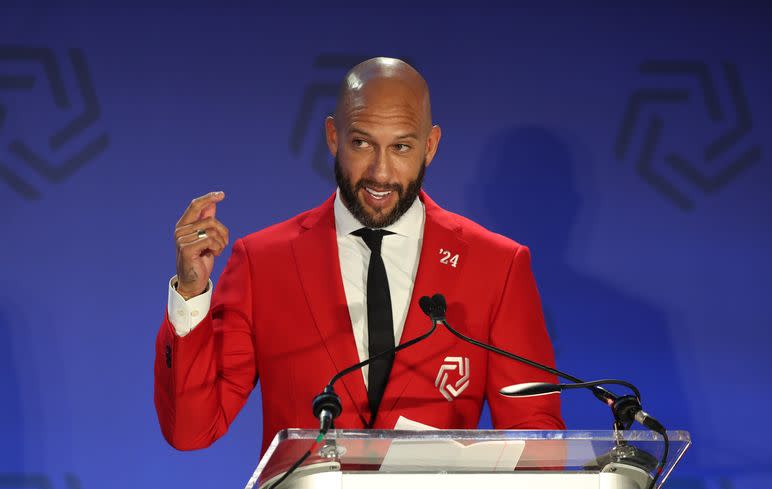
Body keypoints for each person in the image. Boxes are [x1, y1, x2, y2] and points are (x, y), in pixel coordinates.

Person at [154, 57, 564, 456]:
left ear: (430, 146)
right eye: (362, 143)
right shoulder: (263, 262)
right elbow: (191, 430)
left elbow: (537, 440)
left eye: (401, 146)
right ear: (334, 136)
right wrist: (191, 291)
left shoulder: (495, 265)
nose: (381, 173)